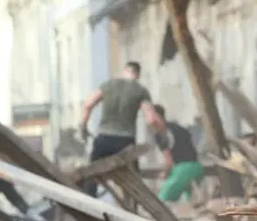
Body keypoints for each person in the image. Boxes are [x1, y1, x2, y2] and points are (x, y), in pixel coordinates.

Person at [78, 61, 159, 196]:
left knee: (91, 177)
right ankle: (131, 211)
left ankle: (88, 206)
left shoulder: (108, 85)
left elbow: (87, 105)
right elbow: (151, 119)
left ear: (124, 71)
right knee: (133, 182)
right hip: (125, 143)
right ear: (138, 75)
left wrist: (83, 127)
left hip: (103, 140)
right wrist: (160, 134)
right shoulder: (141, 91)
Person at [151, 105, 204, 202]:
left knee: (162, 200)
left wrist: (164, 173)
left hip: (183, 169)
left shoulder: (161, 134)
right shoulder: (179, 128)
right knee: (191, 203)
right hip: (197, 167)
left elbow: (168, 161)